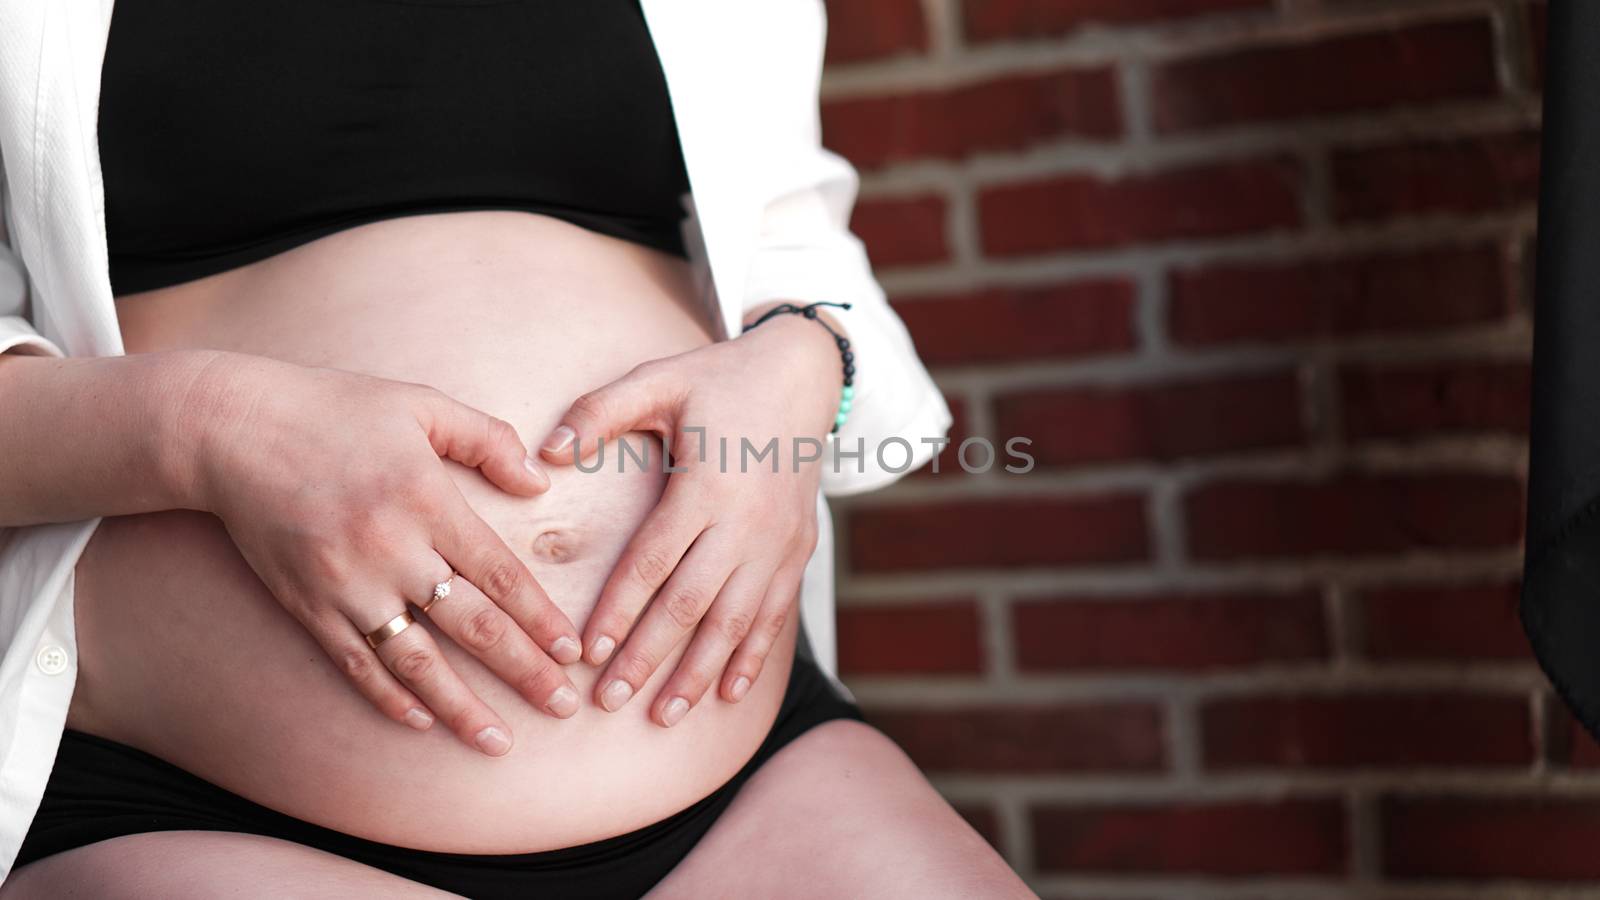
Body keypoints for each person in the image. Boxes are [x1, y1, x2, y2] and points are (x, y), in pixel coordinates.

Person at [0, 1, 1032, 897]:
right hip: (195, 808)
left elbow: (795, 241)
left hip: (759, 785)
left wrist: (807, 363)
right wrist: (206, 428)